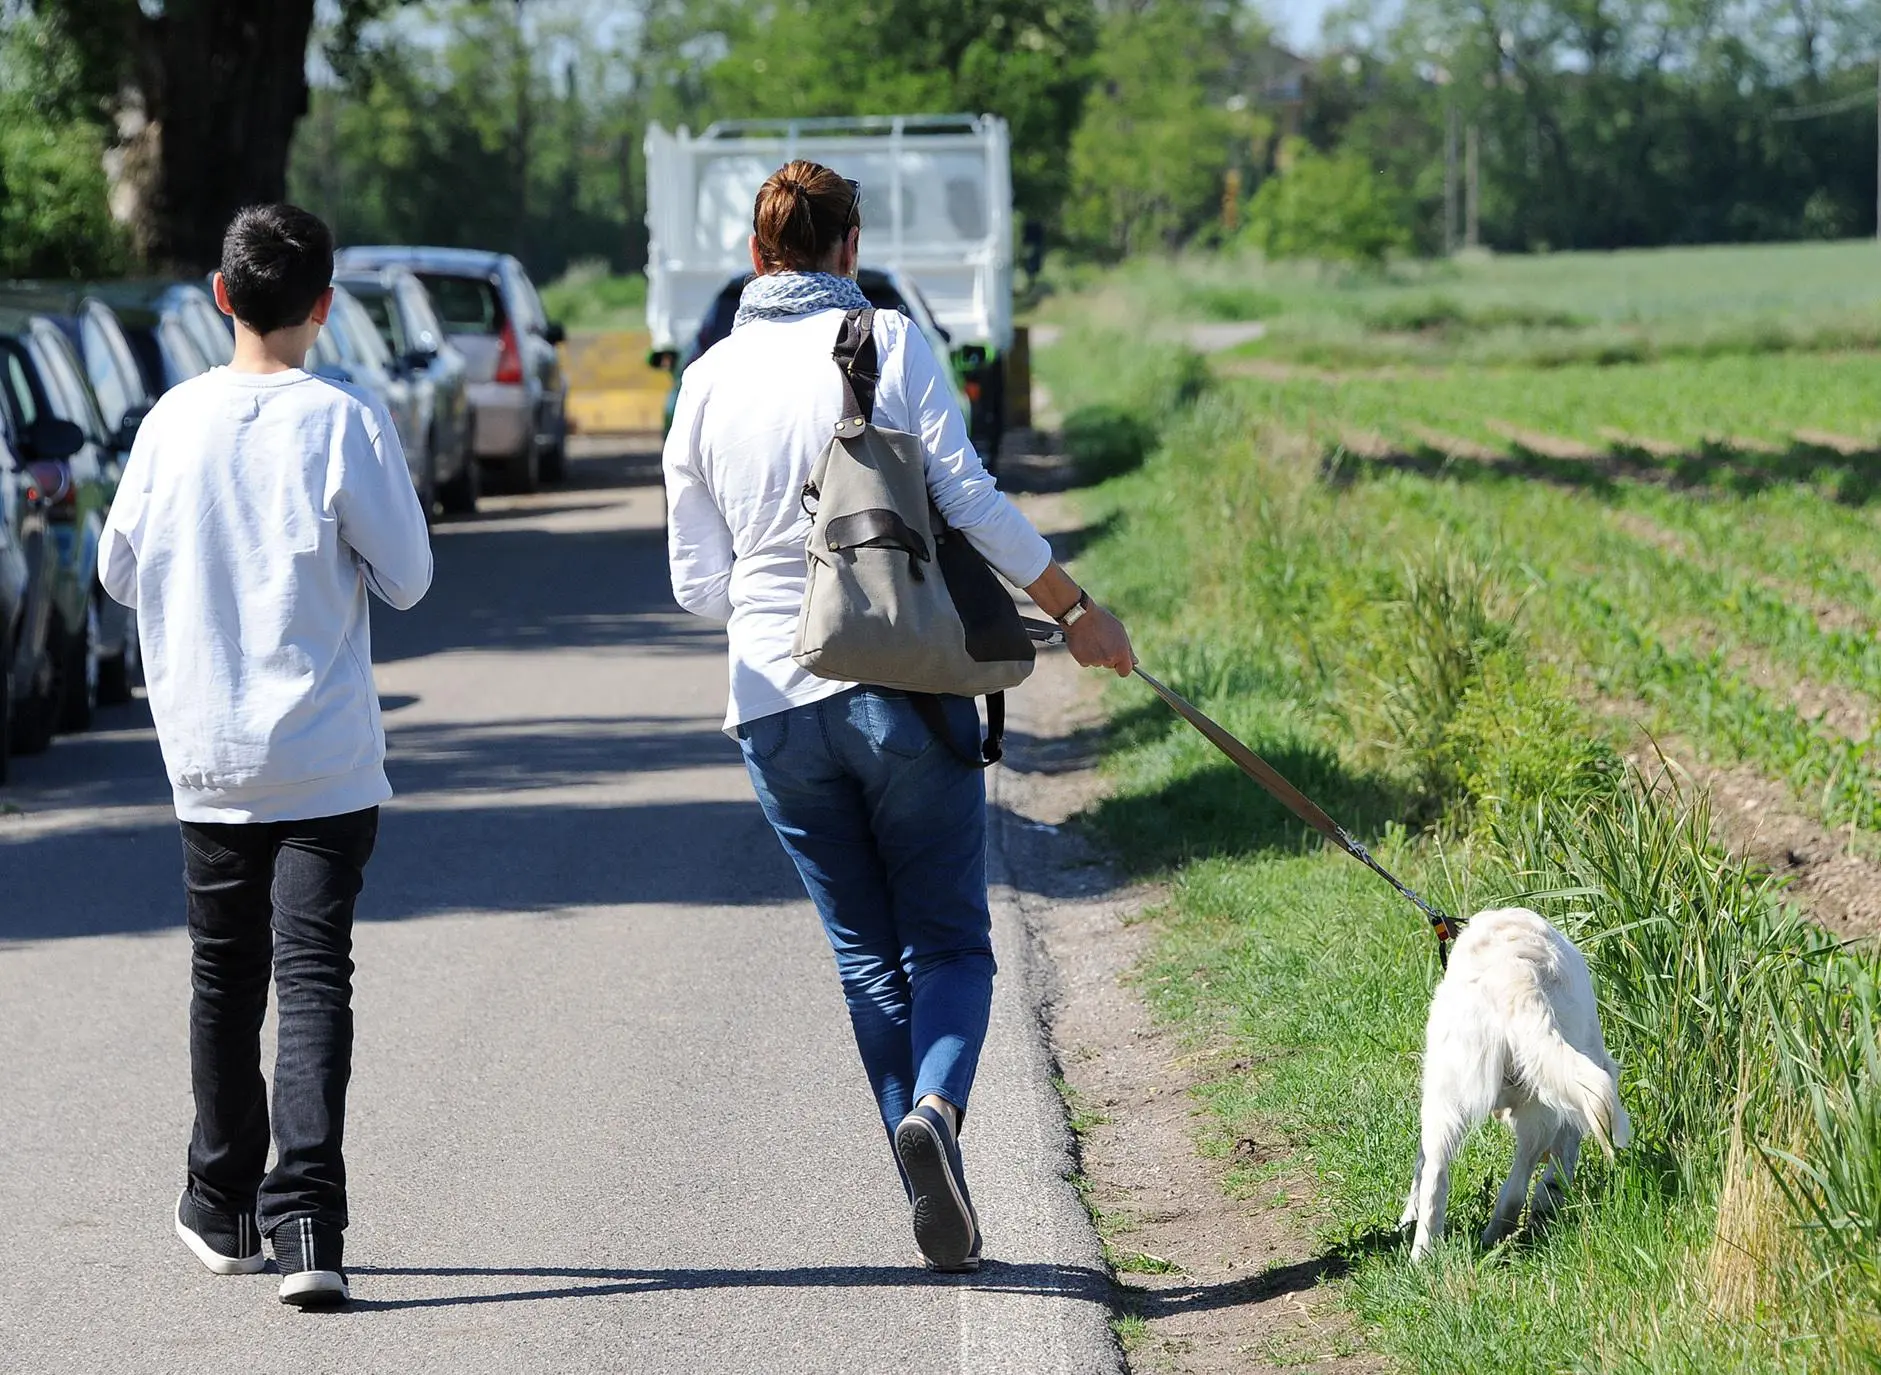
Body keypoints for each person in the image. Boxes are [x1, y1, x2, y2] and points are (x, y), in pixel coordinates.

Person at [663, 160, 1135, 1272]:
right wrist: (1074, 610)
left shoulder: (707, 381)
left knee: (867, 962)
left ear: (754, 256)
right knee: (954, 944)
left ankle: (929, 1165)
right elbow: (967, 498)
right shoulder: (887, 343)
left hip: (772, 709)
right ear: (850, 247)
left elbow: (695, 583)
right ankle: (938, 1112)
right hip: (903, 698)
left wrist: (782, 600)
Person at [99, 204, 433, 1309]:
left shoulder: (170, 421)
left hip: (207, 751)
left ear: (219, 295)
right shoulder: (346, 418)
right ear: (326, 306)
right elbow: (408, 578)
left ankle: (220, 1200)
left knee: (222, 973)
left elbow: (115, 571)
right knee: (311, 976)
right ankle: (307, 1230)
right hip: (327, 756)